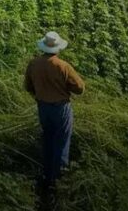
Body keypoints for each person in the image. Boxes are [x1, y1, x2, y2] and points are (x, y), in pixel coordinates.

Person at [23, 31, 85, 185]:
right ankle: (58, 179)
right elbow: (80, 88)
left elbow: (28, 86)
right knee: (62, 141)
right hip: (60, 108)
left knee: (48, 139)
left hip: (43, 107)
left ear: (44, 47)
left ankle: (46, 174)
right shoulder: (63, 66)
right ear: (57, 49)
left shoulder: (33, 64)